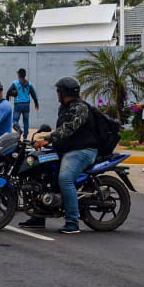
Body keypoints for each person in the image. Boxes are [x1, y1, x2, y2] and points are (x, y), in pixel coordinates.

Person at [21, 77, 96, 235]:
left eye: (58, 91)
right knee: (39, 171)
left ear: (66, 92)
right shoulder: (64, 107)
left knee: (65, 178)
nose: (57, 93)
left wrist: (47, 140)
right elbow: (61, 131)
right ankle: (39, 215)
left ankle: (72, 221)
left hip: (82, 150)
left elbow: (68, 129)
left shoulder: (80, 108)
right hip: (66, 149)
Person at [7, 68, 40, 137]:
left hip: (18, 104)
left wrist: (9, 99)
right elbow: (33, 94)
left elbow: (8, 92)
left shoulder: (15, 83)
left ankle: (19, 130)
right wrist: (36, 103)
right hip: (26, 104)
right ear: (25, 75)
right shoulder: (29, 84)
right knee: (26, 121)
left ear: (19, 74)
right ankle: (25, 137)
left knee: (15, 121)